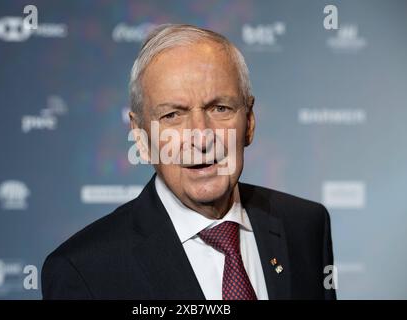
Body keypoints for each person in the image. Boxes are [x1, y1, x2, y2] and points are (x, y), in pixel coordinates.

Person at [41, 24, 336, 300]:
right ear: (141, 138)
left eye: (220, 108)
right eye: (173, 115)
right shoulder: (83, 271)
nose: (202, 137)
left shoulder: (306, 225)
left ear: (249, 122)